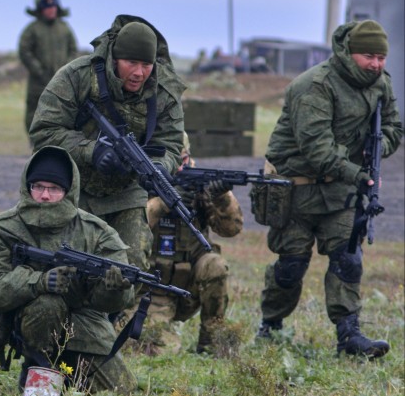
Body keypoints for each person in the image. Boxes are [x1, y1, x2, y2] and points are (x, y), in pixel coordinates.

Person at [256, 20, 402, 357]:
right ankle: (270, 325)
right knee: (291, 265)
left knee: (347, 258)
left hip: (340, 190)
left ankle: (349, 335)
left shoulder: (382, 84)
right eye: (369, 56)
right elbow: (317, 149)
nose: (376, 65)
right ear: (349, 54)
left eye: (381, 57)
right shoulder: (314, 86)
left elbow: (395, 126)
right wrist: (359, 174)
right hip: (294, 189)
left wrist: (376, 148)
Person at [0, 146, 136, 396]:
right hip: (26, 321)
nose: (45, 196)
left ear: (69, 191)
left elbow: (110, 303)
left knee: (121, 394)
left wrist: (114, 288)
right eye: (38, 186)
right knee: (47, 304)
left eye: (54, 189)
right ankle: (37, 375)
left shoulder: (97, 231)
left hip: (84, 325)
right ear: (27, 186)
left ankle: (66, 377)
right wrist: (39, 282)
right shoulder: (1, 228)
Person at [29, 15, 186, 273]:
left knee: (131, 266)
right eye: (131, 63)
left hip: (126, 192)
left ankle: (117, 314)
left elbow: (170, 145)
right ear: (114, 58)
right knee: (60, 264)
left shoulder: (164, 93)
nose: (139, 73)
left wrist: (158, 167)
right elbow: (44, 132)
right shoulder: (77, 76)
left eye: (146, 64)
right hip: (70, 186)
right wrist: (93, 151)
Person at [141, 133, 242, 355]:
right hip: (152, 288)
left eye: (183, 160)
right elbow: (134, 225)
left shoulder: (199, 182)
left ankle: (211, 343)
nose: (179, 166)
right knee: (154, 349)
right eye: (173, 161)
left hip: (190, 284)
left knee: (215, 264)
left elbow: (232, 229)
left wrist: (220, 196)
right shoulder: (143, 180)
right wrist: (164, 202)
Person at [18, 0, 78, 133]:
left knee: (63, 112)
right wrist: (38, 70)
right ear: (41, 10)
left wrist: (67, 69)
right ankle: (35, 142)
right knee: (34, 112)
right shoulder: (32, 29)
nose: (51, 10)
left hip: (62, 81)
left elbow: (73, 50)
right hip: (38, 82)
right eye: (47, 7)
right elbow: (24, 51)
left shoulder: (64, 28)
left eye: (54, 7)